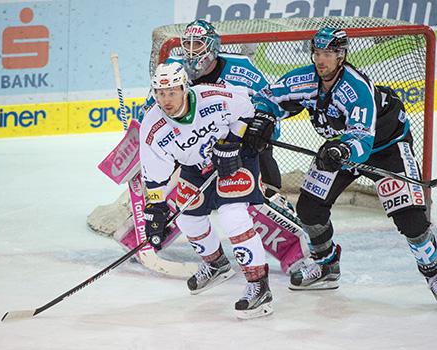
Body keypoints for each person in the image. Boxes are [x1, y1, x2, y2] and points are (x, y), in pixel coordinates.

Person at [245, 27, 437, 300]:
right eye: (317, 53)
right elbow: (268, 97)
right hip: (340, 148)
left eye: (328, 54)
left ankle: (434, 272)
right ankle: (327, 265)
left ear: (341, 55)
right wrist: (264, 117)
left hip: (385, 148)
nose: (321, 60)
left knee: (412, 220)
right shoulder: (306, 78)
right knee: (310, 209)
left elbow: (362, 137)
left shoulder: (355, 87)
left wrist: (342, 149)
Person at [140, 61, 273, 319]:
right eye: (160, 93)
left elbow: (247, 109)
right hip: (195, 166)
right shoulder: (152, 126)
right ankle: (216, 265)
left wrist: (232, 141)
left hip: (234, 158)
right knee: (188, 218)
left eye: (172, 92)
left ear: (184, 88)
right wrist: (154, 208)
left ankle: (259, 285)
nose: (166, 100)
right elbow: (154, 179)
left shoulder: (211, 95)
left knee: (232, 215)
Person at [142, 19, 282, 198]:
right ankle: (162, 197)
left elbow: (268, 104)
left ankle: (270, 192)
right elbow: (152, 108)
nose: (191, 51)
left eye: (198, 44)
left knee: (257, 139)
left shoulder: (242, 69)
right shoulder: (173, 70)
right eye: (187, 44)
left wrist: (261, 129)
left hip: (234, 136)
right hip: (194, 139)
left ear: (213, 46)